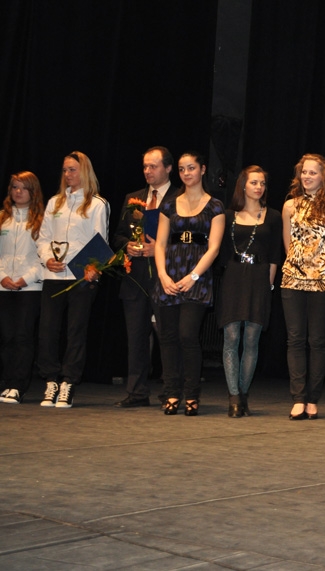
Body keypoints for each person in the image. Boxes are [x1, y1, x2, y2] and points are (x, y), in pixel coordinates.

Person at [36, 151, 110, 408]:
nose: (67, 174)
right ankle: (50, 380)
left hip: (81, 277)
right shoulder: (54, 203)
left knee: (76, 330)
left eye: (73, 169)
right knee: (48, 330)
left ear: (85, 171)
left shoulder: (97, 204)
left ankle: (69, 381)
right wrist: (47, 259)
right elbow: (43, 238)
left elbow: (100, 240)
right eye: (65, 170)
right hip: (53, 275)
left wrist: (93, 268)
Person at [153, 151, 225, 416]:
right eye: (182, 169)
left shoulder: (215, 206)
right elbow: (160, 244)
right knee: (168, 337)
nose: (186, 173)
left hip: (197, 277)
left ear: (203, 169)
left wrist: (193, 276)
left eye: (191, 168)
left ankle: (192, 394)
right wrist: (163, 275)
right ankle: (172, 392)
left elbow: (214, 248)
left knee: (187, 335)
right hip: (169, 275)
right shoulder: (169, 205)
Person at [112, 146, 180, 408]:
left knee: (168, 336)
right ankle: (137, 392)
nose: (148, 171)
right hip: (135, 277)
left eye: (153, 166)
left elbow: (189, 240)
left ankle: (171, 391)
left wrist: (160, 249)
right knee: (136, 336)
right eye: (145, 166)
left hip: (166, 277)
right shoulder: (133, 198)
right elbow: (118, 235)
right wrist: (126, 246)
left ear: (168, 168)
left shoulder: (180, 198)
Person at [281, 154, 325, 420]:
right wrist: (298, 266)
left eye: (312, 172)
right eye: (304, 172)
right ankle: (298, 398)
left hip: (324, 280)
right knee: (295, 339)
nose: (307, 177)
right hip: (293, 279)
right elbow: (288, 243)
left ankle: (312, 399)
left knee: (317, 340)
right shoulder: (290, 205)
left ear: (323, 176)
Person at [218, 166, 282, 417]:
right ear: (243, 185)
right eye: (254, 182)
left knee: (252, 339)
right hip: (234, 277)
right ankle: (233, 395)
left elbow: (275, 255)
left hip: (260, 277)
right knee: (231, 337)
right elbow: (221, 251)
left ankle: (243, 393)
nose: (259, 187)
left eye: (262, 183)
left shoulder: (273, 216)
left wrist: (269, 284)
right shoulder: (228, 215)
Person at [0, 172, 44, 404]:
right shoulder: (2, 218)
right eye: (14, 187)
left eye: (23, 188)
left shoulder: (42, 220)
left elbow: (44, 255)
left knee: (23, 336)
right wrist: (2, 277)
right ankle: (7, 382)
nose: (18, 192)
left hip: (30, 288)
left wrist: (26, 278)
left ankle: (18, 385)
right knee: (6, 336)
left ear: (33, 191)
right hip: (3, 286)